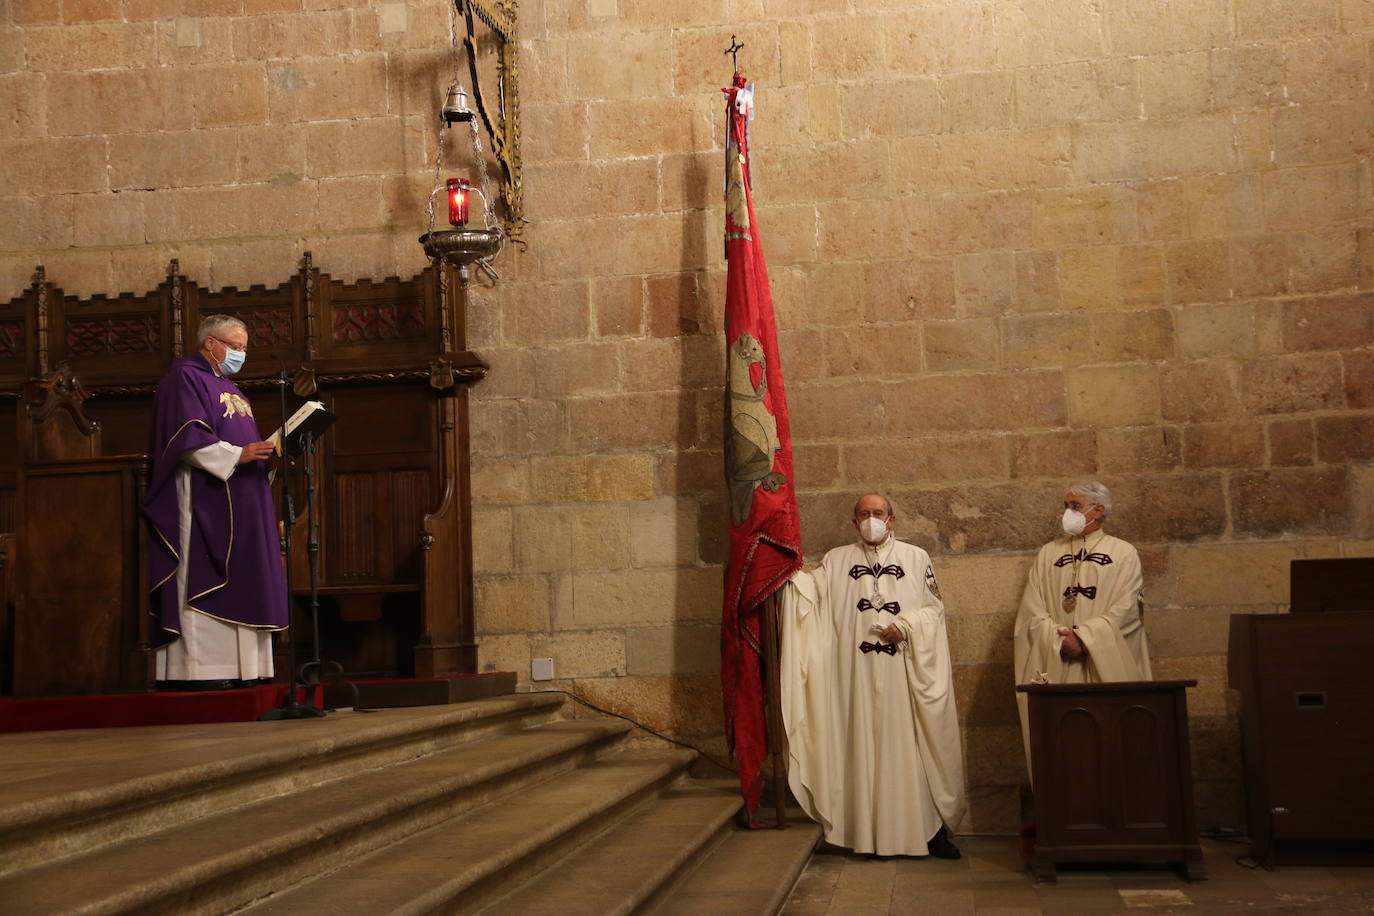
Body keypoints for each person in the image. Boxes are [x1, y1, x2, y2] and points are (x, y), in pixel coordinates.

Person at [780, 493, 965, 858]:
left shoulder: (916, 559)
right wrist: (784, 574)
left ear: (891, 519)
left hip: (901, 672)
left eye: (878, 513)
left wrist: (907, 626)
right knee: (854, 749)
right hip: (854, 676)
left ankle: (925, 833)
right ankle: (851, 833)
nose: (871, 519)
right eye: (864, 514)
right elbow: (808, 595)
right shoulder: (836, 560)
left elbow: (934, 611)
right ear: (854, 522)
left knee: (909, 748)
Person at [142, 314, 288, 688]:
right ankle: (200, 672)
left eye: (244, 347)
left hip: (241, 495)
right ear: (211, 343)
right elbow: (185, 438)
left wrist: (260, 455)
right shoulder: (184, 378)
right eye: (235, 346)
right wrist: (236, 456)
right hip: (204, 496)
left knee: (245, 574)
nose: (241, 354)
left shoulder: (230, 387)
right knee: (206, 569)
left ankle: (245, 669)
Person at [1013, 480, 1152, 767]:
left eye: (1075, 506)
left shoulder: (1123, 553)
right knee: (1064, 753)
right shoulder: (1047, 554)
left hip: (1104, 665)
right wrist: (1057, 638)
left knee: (1110, 750)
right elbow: (1031, 609)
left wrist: (1086, 639)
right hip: (1058, 662)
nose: (1068, 513)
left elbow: (1128, 610)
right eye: (1066, 507)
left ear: (1098, 510)